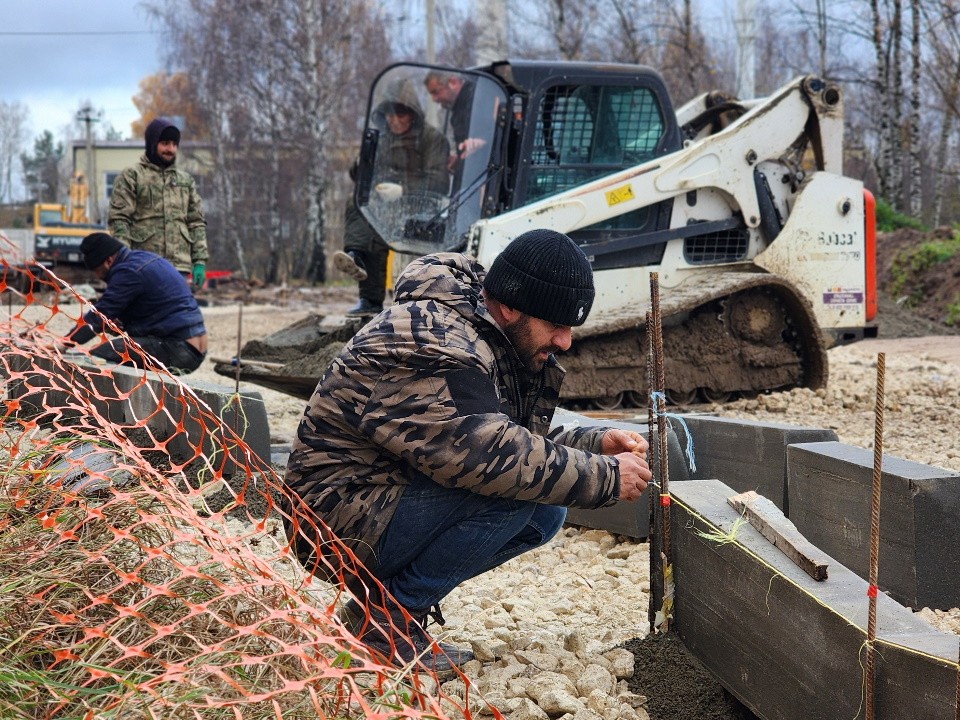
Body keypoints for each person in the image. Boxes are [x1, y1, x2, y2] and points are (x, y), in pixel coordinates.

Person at [284, 229, 652, 674]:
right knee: (514, 495)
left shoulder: (483, 330)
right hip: (330, 524)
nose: (565, 342)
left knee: (545, 512)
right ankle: (386, 626)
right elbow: (493, 458)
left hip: (373, 497)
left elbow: (502, 434)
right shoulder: (437, 343)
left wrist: (594, 444)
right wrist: (607, 476)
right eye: (555, 325)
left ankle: (381, 610)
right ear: (511, 306)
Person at [333, 78, 449, 304]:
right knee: (359, 202)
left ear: (412, 114)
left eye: (400, 114)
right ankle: (357, 261)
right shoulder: (381, 139)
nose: (394, 120)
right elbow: (359, 178)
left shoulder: (432, 139)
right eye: (389, 114)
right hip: (387, 204)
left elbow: (440, 182)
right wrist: (362, 161)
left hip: (422, 206)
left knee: (379, 220)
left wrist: (404, 190)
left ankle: (379, 293)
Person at [58, 232, 208, 375]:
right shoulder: (143, 259)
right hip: (194, 345)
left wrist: (65, 343)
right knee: (115, 350)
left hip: (180, 349)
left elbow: (99, 316)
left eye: (97, 270)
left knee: (97, 356)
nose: (97, 276)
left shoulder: (128, 272)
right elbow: (155, 307)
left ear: (108, 261)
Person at [108, 117, 209, 289]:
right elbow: (119, 219)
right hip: (144, 265)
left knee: (178, 306)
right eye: (165, 143)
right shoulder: (132, 176)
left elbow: (196, 222)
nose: (170, 149)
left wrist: (200, 260)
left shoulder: (185, 181)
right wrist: (124, 259)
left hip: (179, 267)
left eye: (174, 144)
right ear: (152, 143)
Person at [333, 163, 390, 317]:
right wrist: (364, 158)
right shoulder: (386, 145)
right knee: (359, 201)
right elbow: (355, 173)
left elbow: (434, 174)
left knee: (376, 205)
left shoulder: (430, 144)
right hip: (387, 192)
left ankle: (358, 258)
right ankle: (355, 256)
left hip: (421, 195)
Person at [424, 70, 484, 171]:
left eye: (436, 92)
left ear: (453, 82)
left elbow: (487, 142)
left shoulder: (476, 100)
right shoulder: (459, 106)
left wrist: (480, 145)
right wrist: (459, 159)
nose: (434, 99)